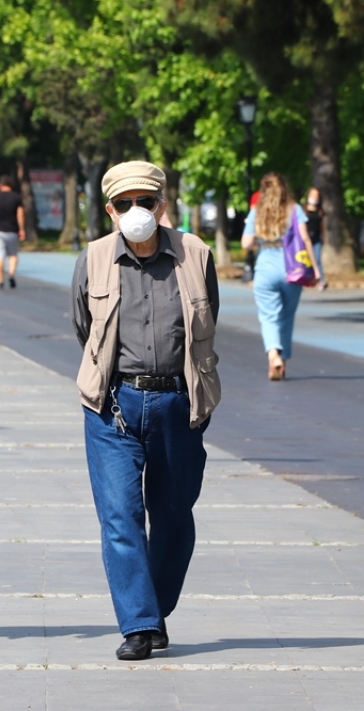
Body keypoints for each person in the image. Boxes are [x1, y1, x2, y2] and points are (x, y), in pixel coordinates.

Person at [71, 161, 221, 661]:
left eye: (146, 202)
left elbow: (208, 323)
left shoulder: (194, 253)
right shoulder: (93, 258)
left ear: (162, 205)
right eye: (125, 204)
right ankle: (139, 625)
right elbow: (83, 327)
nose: (137, 212)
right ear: (109, 210)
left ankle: (154, 609)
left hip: (178, 403)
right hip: (112, 406)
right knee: (120, 517)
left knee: (174, 517)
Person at [242, 172, 319, 381]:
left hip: (265, 268)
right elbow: (305, 239)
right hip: (291, 269)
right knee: (286, 316)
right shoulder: (294, 209)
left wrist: (259, 236)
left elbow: (245, 243)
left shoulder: (256, 211)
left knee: (269, 317)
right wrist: (316, 270)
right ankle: (282, 361)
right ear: (285, 189)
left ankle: (273, 355)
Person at [0, 175, 25, 289]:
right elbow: (20, 214)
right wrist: (21, 229)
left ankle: (0, 280)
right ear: (10, 185)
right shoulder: (16, 197)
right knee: (13, 255)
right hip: (12, 230)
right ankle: (11, 273)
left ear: (0, 185)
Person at [304, 186, 327, 290]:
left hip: (316, 238)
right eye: (312, 195)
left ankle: (321, 280)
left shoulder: (320, 211)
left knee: (317, 259)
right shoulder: (303, 210)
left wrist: (323, 237)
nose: (314, 197)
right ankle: (303, 279)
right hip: (305, 238)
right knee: (304, 259)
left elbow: (322, 226)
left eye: (316, 196)